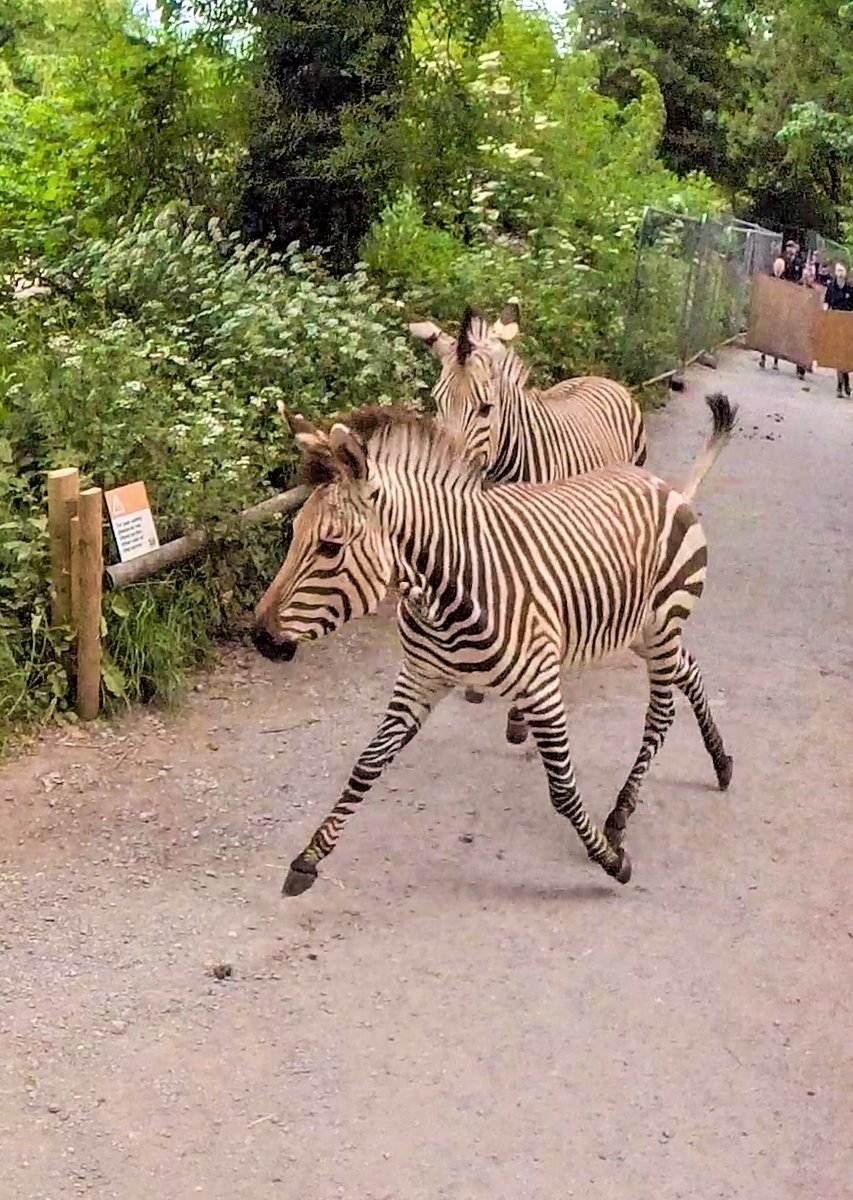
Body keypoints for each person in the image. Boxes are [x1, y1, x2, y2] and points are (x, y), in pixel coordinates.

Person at [823, 262, 853, 397]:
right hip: (835, 323)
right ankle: (840, 386)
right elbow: (827, 302)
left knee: (845, 357)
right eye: (838, 270)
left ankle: (845, 382)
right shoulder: (831, 287)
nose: (840, 273)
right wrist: (825, 313)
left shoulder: (850, 289)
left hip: (847, 325)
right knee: (837, 356)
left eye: (842, 270)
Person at [759, 256, 787, 370]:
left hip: (779, 312)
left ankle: (775, 361)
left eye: (781, 267)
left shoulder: (784, 281)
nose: (779, 269)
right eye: (777, 266)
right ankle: (763, 357)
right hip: (769, 310)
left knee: (777, 337)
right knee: (766, 335)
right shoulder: (769, 278)